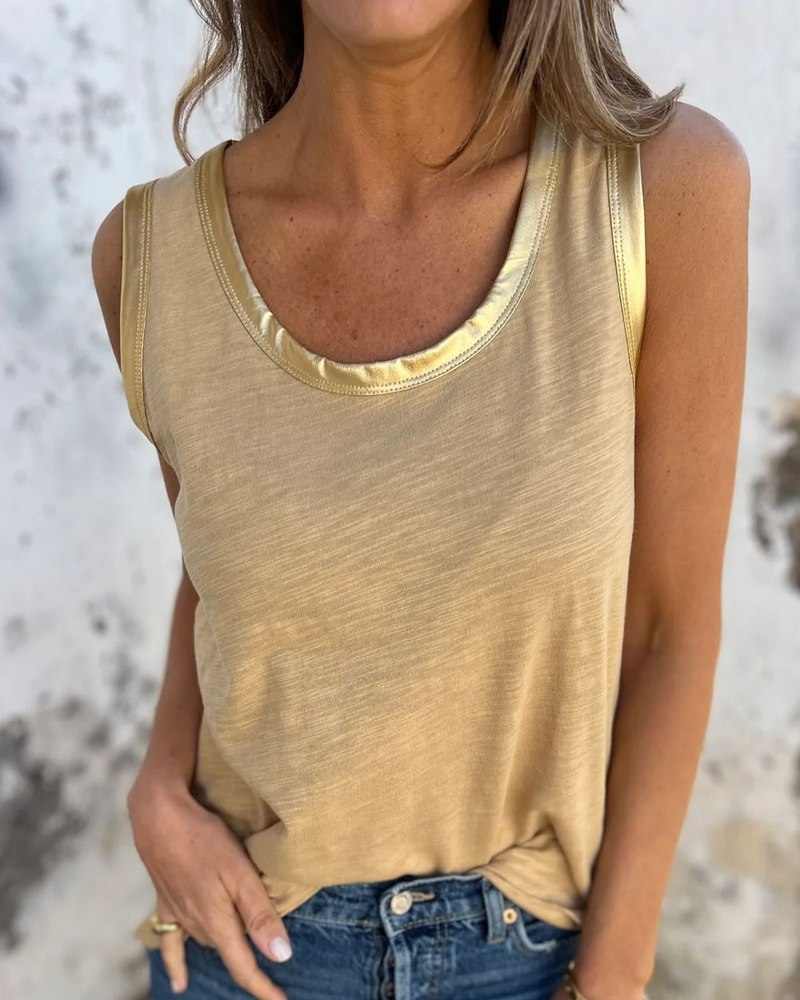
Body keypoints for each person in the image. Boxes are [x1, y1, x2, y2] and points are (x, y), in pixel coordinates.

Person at [91, 1, 750, 998]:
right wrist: (159, 781)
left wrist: (613, 975)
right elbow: (227, 565)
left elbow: (669, 628)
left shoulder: (660, 192)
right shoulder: (152, 255)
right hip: (254, 950)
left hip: (530, 955)